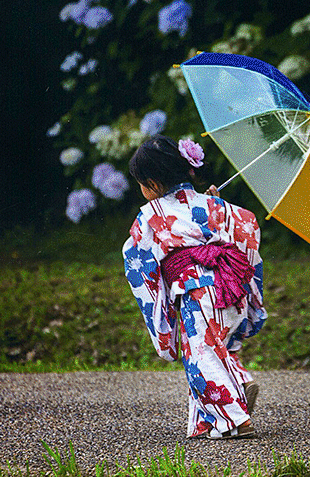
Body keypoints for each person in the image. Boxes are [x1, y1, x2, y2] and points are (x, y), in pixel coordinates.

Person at [122, 135, 267, 439]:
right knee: (215, 348)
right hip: (232, 288)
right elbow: (247, 225)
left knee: (200, 357)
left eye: (142, 184)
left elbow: (136, 256)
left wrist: (163, 322)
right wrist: (215, 205)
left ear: (153, 183)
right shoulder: (217, 207)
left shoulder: (151, 215)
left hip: (197, 294)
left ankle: (233, 421)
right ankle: (236, 386)